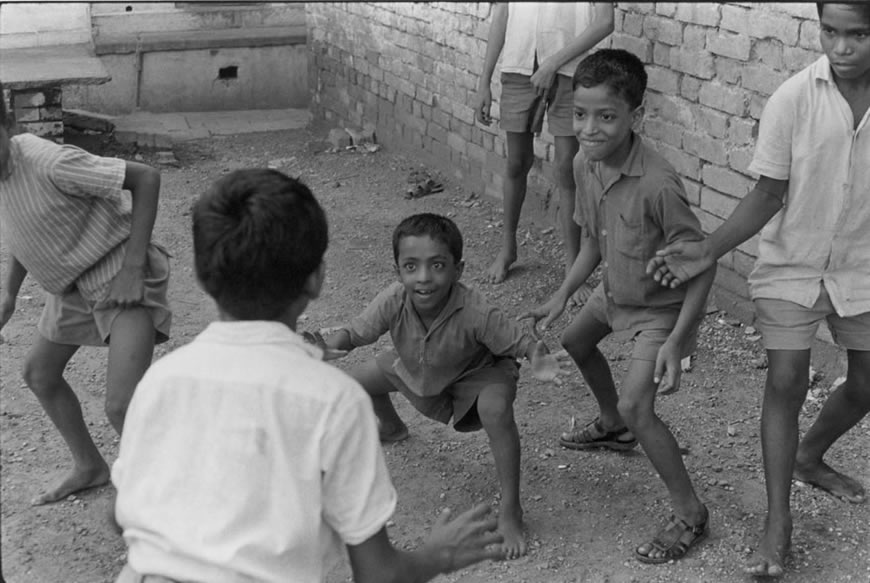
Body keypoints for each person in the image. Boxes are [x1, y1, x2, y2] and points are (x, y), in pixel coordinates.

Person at [111, 170, 505, 583]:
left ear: (200, 275)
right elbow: (378, 575)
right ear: (316, 278)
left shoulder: (162, 379)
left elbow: (122, 515)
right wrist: (438, 555)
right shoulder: (332, 399)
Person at [645, 3, 870, 577]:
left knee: (867, 382)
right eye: (831, 32)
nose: (842, 48)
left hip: (863, 268)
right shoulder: (794, 99)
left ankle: (809, 455)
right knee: (787, 378)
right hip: (792, 263)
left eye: (860, 35)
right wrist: (709, 248)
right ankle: (778, 521)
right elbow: (770, 193)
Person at [520, 49, 716, 564]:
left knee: (639, 403)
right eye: (580, 115)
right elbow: (593, 241)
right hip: (616, 292)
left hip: (660, 311)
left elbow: (704, 263)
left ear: (636, 116)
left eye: (606, 116)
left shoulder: (658, 183)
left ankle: (690, 512)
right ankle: (613, 425)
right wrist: (562, 294)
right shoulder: (586, 163)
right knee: (574, 340)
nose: (589, 128)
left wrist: (677, 340)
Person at [320, 212, 571, 560]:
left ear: (458, 269)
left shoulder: (475, 309)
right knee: (354, 384)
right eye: (411, 266)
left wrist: (536, 355)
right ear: (398, 270)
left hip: (478, 375)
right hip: (418, 369)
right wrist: (326, 347)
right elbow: (355, 333)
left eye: (437, 265)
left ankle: (511, 509)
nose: (423, 278)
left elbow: (517, 341)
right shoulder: (394, 299)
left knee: (495, 409)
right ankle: (391, 428)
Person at [0, 83, 171, 506]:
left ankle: (171, 492)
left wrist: (133, 269)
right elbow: (29, 230)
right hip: (74, 286)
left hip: (120, 275)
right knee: (40, 374)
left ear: (7, 124)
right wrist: (9, 292)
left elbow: (146, 178)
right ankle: (90, 467)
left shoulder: (50, 161)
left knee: (121, 403)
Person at [475, 2, 614, 304]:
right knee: (516, 162)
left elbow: (605, 22)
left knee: (567, 169)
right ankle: (508, 247)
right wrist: (483, 81)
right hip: (518, 67)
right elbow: (502, 15)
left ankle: (573, 268)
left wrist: (553, 63)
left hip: (570, 70)